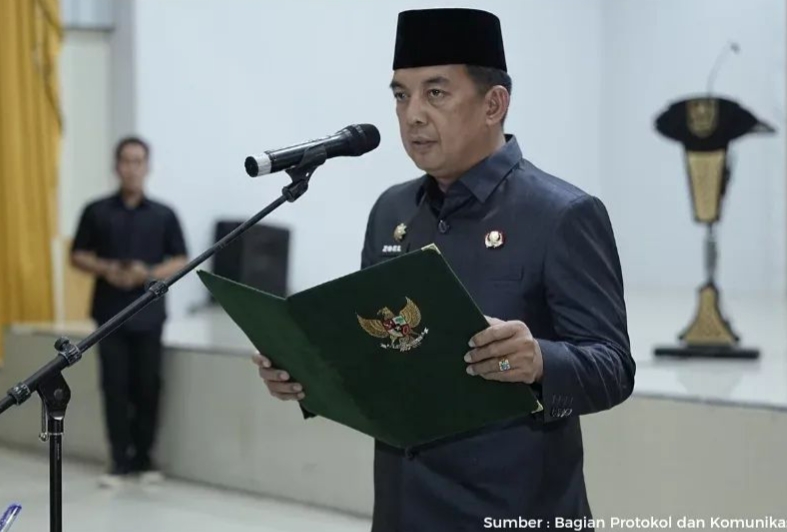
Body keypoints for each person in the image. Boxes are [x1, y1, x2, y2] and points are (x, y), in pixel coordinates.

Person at [252, 8, 635, 531]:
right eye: (400, 95)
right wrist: (304, 369)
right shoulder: (391, 211)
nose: (412, 115)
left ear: (493, 104)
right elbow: (379, 352)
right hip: (403, 507)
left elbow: (614, 368)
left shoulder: (561, 214)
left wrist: (540, 361)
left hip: (515, 507)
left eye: (435, 93)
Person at [71, 136, 188, 487]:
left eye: (138, 161)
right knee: (114, 387)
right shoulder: (96, 211)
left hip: (149, 313)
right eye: (126, 161)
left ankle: (144, 458)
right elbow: (78, 254)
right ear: (116, 166)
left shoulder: (164, 214)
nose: (132, 168)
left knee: (148, 386)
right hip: (109, 314)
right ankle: (118, 461)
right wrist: (108, 269)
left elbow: (181, 259)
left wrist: (147, 273)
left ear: (147, 167)